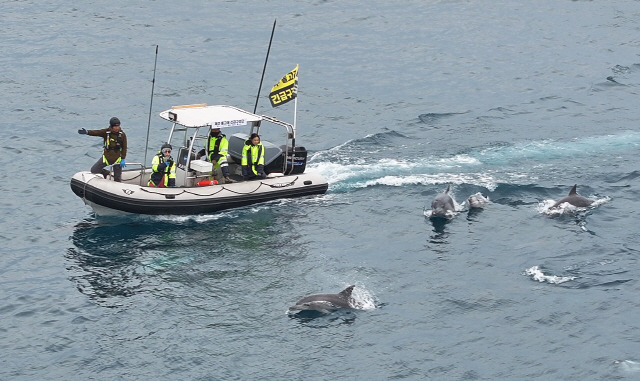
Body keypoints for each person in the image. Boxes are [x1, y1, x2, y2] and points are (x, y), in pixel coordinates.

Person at [78, 117, 127, 182]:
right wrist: (87, 132)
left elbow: (124, 147)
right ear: (112, 126)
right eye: (115, 126)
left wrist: (123, 158)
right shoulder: (106, 132)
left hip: (117, 159)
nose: (117, 128)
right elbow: (96, 132)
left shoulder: (122, 135)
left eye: (118, 126)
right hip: (106, 157)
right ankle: (106, 173)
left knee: (117, 179)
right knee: (94, 170)